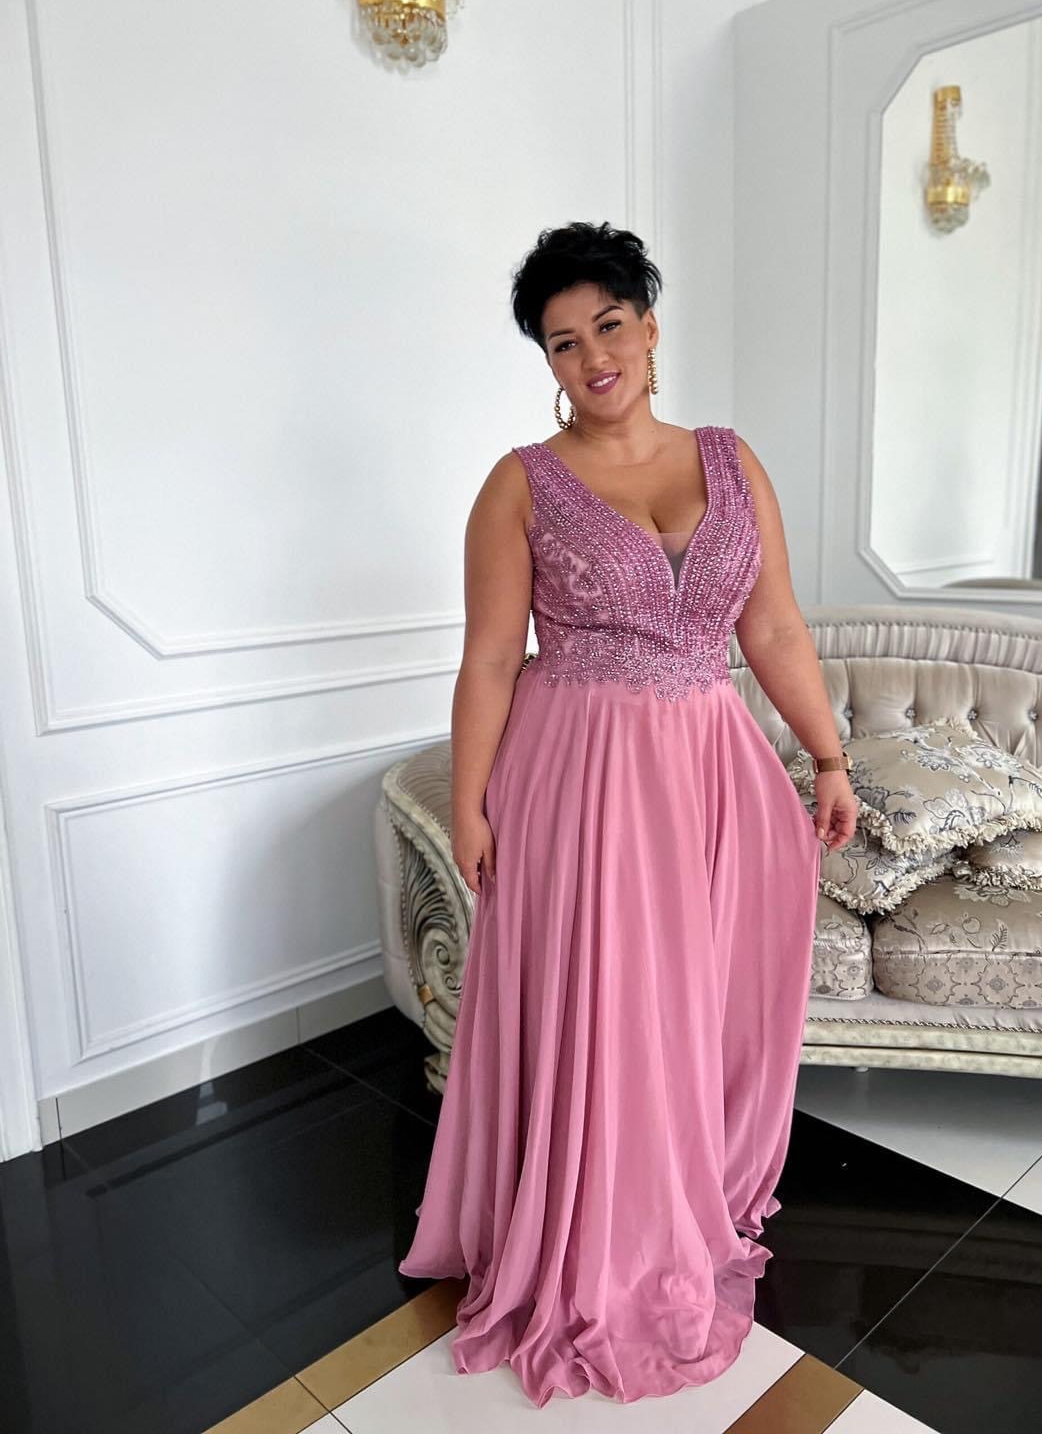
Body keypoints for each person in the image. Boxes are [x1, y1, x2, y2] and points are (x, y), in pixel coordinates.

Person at [397, 220, 858, 1407]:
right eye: (563, 341)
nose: (592, 356)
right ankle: (595, 1230)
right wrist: (471, 806)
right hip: (581, 776)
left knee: (690, 1000)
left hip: (708, 769)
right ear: (547, 362)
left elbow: (774, 626)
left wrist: (827, 757)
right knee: (604, 1000)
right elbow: (489, 661)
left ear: (650, 328)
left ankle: (674, 1190)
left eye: (608, 325)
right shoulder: (520, 484)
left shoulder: (730, 460)